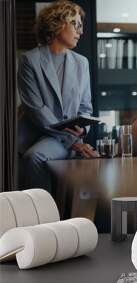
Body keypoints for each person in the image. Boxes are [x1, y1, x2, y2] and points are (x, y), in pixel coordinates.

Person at [18, 0, 97, 192]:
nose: (81, 31)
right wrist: (75, 142)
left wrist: (82, 131)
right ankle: (42, 214)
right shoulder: (30, 60)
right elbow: (37, 111)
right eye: (75, 24)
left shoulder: (81, 63)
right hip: (39, 134)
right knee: (34, 156)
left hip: (63, 139)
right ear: (58, 23)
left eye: (81, 25)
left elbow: (86, 108)